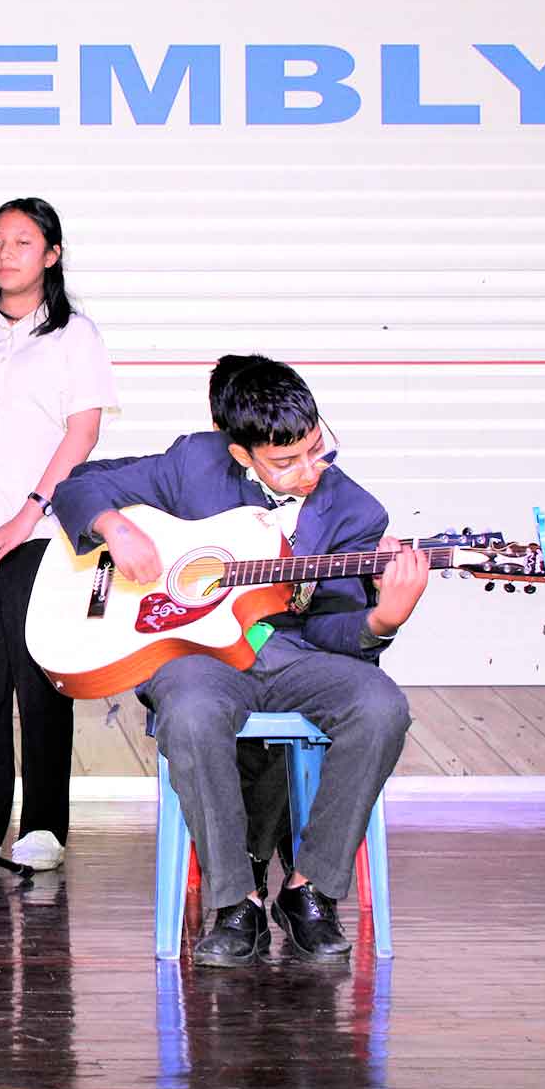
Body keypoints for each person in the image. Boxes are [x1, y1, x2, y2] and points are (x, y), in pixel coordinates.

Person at [51, 354, 424, 965]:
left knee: (381, 706)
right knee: (191, 712)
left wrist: (384, 619)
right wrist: (114, 527)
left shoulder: (356, 512)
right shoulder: (195, 465)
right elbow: (78, 486)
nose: (310, 470)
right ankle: (235, 902)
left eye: (317, 449)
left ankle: (309, 890)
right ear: (241, 454)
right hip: (197, 656)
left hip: (295, 654)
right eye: (286, 461)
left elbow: (332, 629)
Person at [0, 198, 116, 873]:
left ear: (52, 255)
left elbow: (82, 432)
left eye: (22, 242)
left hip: (42, 537)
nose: (5, 254)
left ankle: (42, 825)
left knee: (42, 685)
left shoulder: (76, 336)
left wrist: (25, 515)